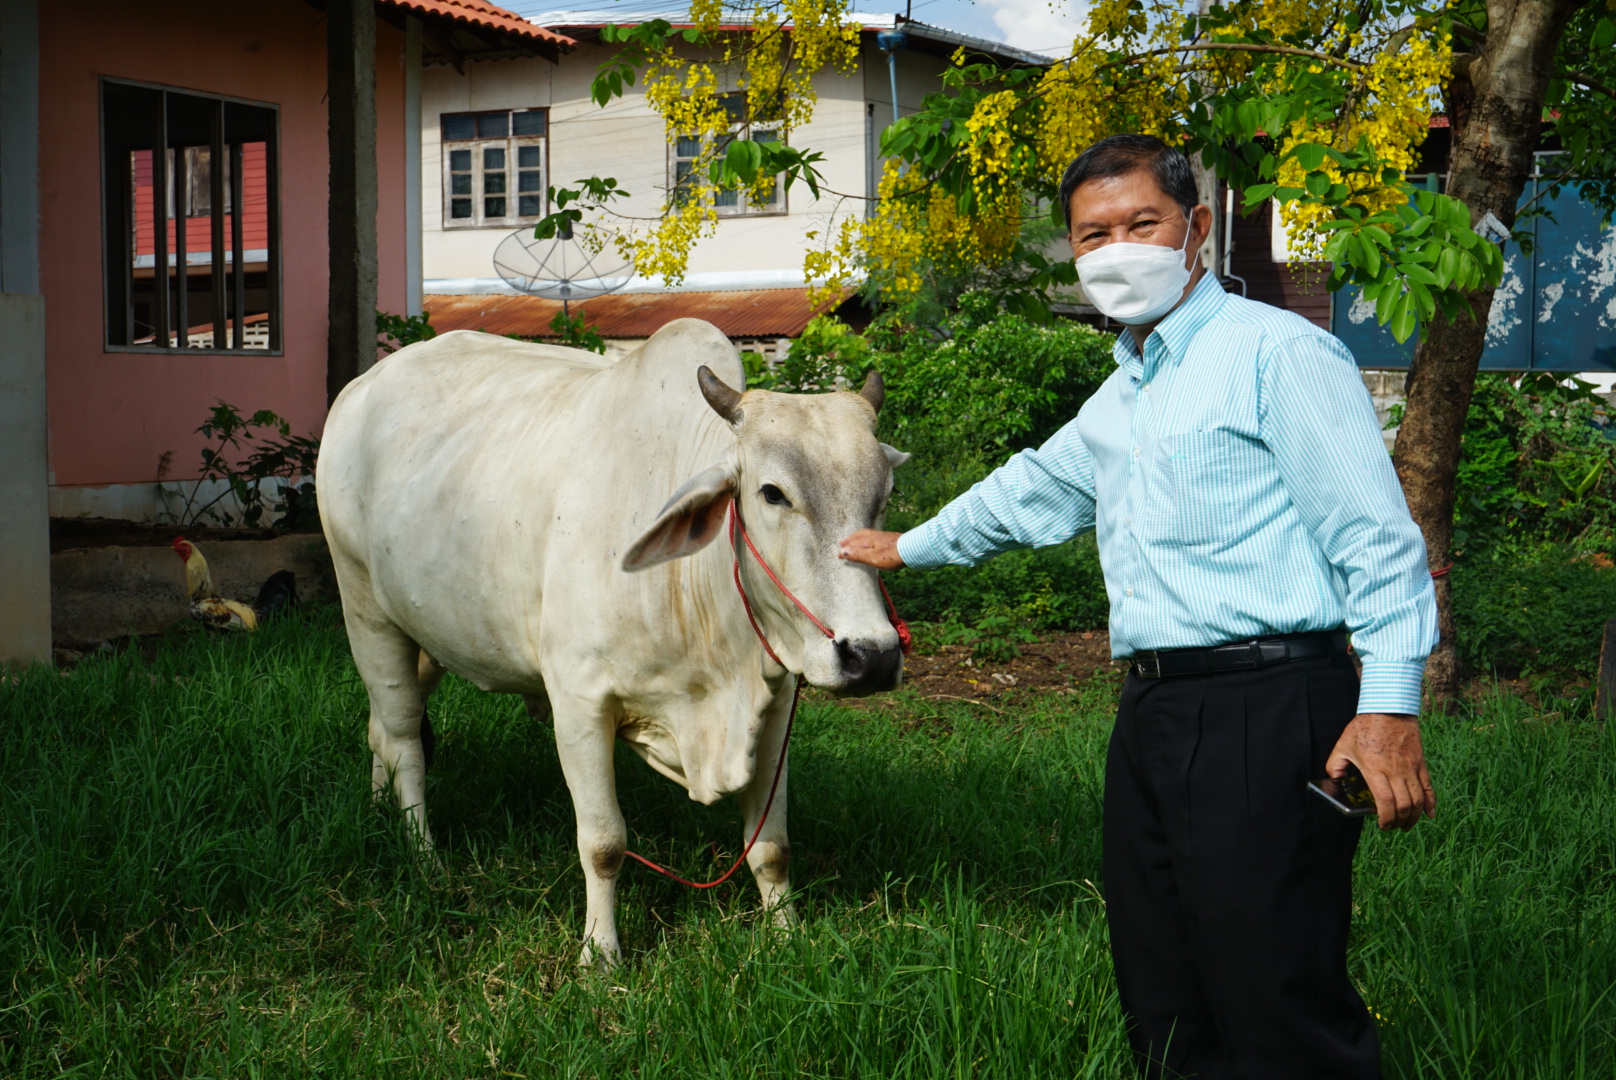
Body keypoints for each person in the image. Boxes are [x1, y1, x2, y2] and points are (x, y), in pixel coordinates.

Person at [839, 133, 1438, 1080]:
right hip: (1153, 708)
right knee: (1164, 987)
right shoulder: (1126, 388)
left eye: (1139, 224)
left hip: (1270, 703)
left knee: (1274, 988)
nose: (1116, 248)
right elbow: (1034, 487)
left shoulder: (1278, 353)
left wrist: (1391, 704)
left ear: (1194, 229)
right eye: (1091, 235)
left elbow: (1375, 537)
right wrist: (906, 546)